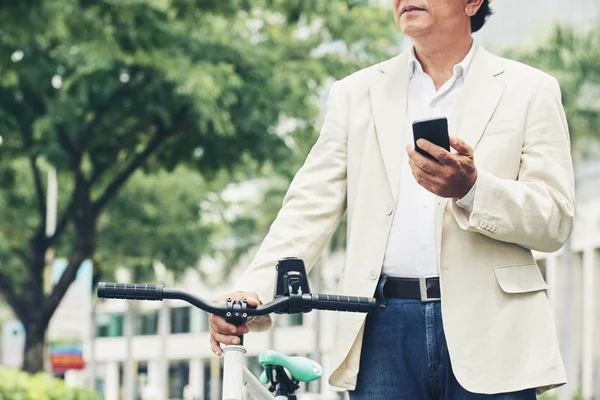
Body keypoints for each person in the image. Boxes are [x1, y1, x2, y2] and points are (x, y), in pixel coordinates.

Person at [209, 0, 575, 399]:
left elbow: (555, 219)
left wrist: (471, 189)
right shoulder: (356, 93)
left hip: (495, 329)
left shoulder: (531, 89)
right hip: (381, 327)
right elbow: (308, 206)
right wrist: (252, 291)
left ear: (473, 2)